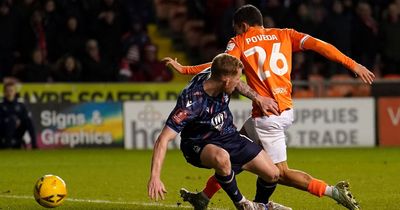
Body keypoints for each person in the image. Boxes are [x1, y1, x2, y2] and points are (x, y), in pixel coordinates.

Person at [164, 4, 375, 210]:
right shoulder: (285, 34)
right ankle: (204, 197)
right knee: (235, 153)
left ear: (243, 26)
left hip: (266, 115)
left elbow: (221, 67)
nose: (235, 32)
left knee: (279, 173)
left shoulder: (240, 40)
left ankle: (331, 191)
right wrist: (353, 65)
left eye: (236, 28)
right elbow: (320, 45)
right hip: (285, 108)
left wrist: (186, 69)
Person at [148, 53, 284, 210]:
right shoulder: (191, 102)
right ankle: (242, 204)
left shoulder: (217, 74)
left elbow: (230, 77)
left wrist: (258, 98)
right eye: (237, 79)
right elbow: (163, 139)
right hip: (198, 144)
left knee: (273, 174)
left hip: (228, 136)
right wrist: (155, 177)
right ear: (226, 81)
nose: (239, 83)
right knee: (222, 157)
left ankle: (260, 206)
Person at [0, 81, 36, 149]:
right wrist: (10, 120)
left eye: (11, 90)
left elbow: (25, 118)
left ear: (15, 92)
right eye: (7, 91)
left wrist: (19, 121)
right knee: (11, 120)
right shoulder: (1, 106)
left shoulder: (20, 105)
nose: (9, 93)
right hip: (4, 132)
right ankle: (8, 146)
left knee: (28, 120)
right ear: (4, 92)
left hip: (17, 132)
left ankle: (35, 146)